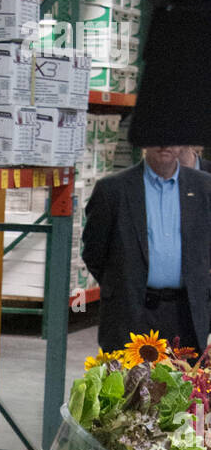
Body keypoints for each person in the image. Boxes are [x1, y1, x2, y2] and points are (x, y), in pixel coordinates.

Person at [81, 145, 211, 358]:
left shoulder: (204, 188)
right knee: (128, 389)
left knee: (185, 387)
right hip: (130, 314)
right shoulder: (112, 190)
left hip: (187, 316)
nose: (164, 144)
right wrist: (123, 286)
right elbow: (94, 253)